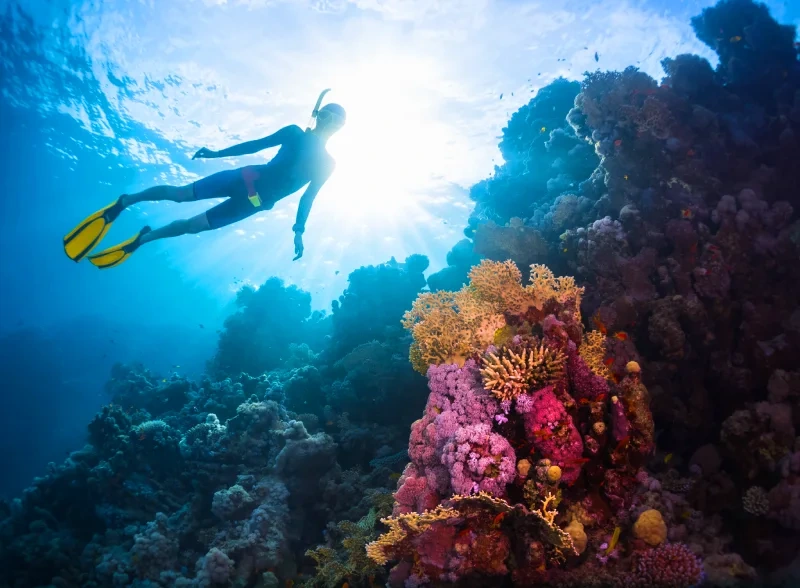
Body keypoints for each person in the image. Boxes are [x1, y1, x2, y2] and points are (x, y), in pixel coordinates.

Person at [63, 101, 346, 268]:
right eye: (326, 114)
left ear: (339, 128)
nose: (328, 121)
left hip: (253, 204)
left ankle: (142, 239)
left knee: (191, 226)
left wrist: (299, 231)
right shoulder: (294, 132)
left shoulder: (328, 164)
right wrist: (217, 153)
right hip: (242, 179)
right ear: (317, 114)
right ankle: (125, 201)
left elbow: (308, 198)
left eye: (335, 120)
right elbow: (254, 145)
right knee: (180, 195)